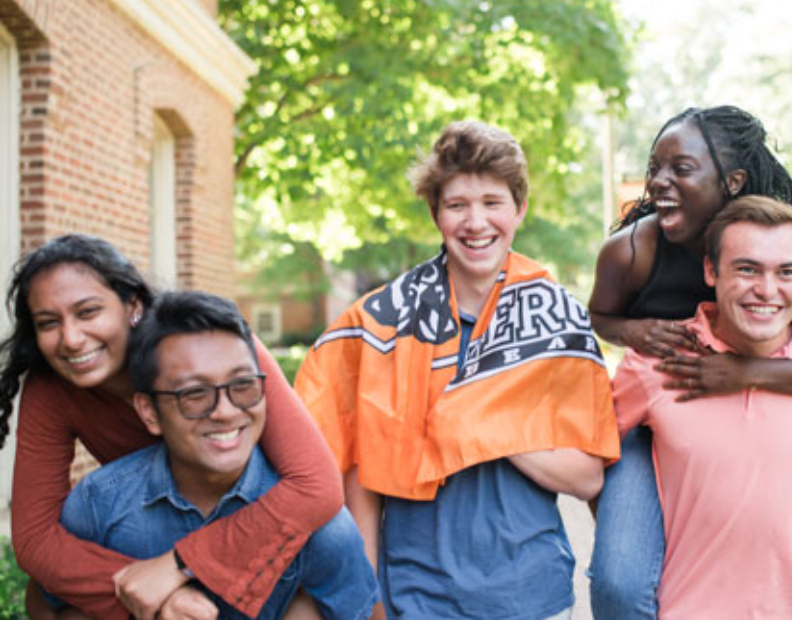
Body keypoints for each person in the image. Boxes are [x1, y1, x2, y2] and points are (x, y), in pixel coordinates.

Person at [295, 120, 620, 619]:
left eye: (492, 203)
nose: (476, 222)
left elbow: (587, 476)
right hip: (416, 598)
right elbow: (359, 474)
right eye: (457, 205)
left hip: (532, 596)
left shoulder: (557, 319)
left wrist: (479, 419)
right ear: (435, 213)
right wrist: (371, 600)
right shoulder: (385, 326)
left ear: (519, 209)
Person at [587, 105, 792, 618]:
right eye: (654, 168)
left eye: (681, 169)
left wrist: (747, 373)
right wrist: (630, 330)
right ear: (712, 269)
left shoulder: (784, 242)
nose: (658, 182)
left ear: (732, 181)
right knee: (620, 582)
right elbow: (598, 316)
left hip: (769, 395)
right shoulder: (631, 251)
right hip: (660, 417)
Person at [0, 235, 344, 620]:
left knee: (317, 576)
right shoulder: (51, 387)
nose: (71, 338)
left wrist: (180, 564)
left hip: (252, 517)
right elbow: (35, 538)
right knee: (44, 601)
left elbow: (318, 486)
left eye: (88, 312)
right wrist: (156, 596)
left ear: (132, 306)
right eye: (48, 322)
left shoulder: (214, 343)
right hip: (161, 517)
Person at [50, 290, 380, 620]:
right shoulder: (98, 505)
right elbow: (50, 604)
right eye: (194, 393)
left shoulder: (317, 524)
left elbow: (364, 612)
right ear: (149, 411)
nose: (225, 411)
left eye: (243, 386)